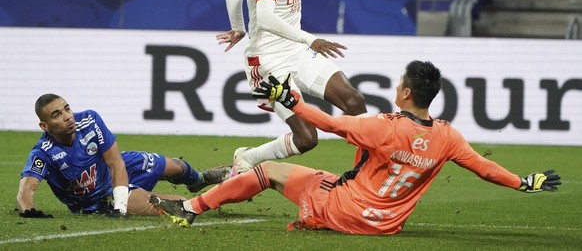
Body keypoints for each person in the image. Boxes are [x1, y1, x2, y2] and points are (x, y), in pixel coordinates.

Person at [149, 60, 561, 234]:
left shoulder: (385, 127)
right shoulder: (448, 136)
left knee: (268, 172)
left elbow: (328, 122)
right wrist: (522, 182)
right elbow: (484, 169)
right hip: (386, 224)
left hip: (346, 211)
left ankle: (190, 209)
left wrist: (289, 99)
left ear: (404, 92)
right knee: (330, 177)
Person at [216, 0, 368, 176]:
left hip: (296, 53)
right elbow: (264, 16)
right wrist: (310, 39)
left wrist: (238, 26)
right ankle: (248, 158)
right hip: (270, 62)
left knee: (354, 101)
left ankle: (367, 172)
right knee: (307, 139)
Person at [17, 93, 230, 218]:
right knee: (179, 204)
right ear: (44, 126)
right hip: (99, 199)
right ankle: (216, 197)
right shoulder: (43, 152)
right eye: (57, 115)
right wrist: (29, 209)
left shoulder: (89, 120)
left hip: (120, 167)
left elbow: (115, 161)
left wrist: (121, 205)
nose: (67, 117)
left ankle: (199, 180)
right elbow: (27, 188)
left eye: (66, 109)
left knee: (177, 166)